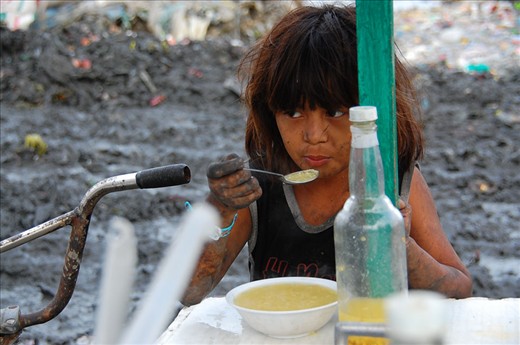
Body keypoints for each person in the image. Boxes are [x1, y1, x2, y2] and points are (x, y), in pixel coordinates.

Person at [181, 4, 472, 306]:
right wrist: (220, 208)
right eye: (292, 112)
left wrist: (400, 246)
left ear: (367, 115)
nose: (314, 135)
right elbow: (188, 291)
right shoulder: (258, 187)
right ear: (270, 113)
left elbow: (460, 289)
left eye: (334, 112)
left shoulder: (391, 183)